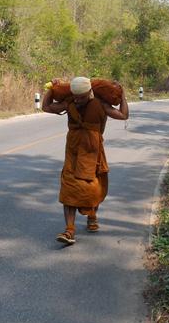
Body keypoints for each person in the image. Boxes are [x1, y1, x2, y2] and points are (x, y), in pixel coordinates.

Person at [42, 76, 129, 245]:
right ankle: (69, 230)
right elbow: (46, 107)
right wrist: (51, 89)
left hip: (93, 152)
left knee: (93, 188)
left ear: (89, 92)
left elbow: (123, 115)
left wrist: (123, 95)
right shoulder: (70, 102)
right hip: (73, 152)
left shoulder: (101, 104)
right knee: (69, 188)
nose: (78, 100)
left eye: (81, 97)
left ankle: (92, 216)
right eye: (75, 96)